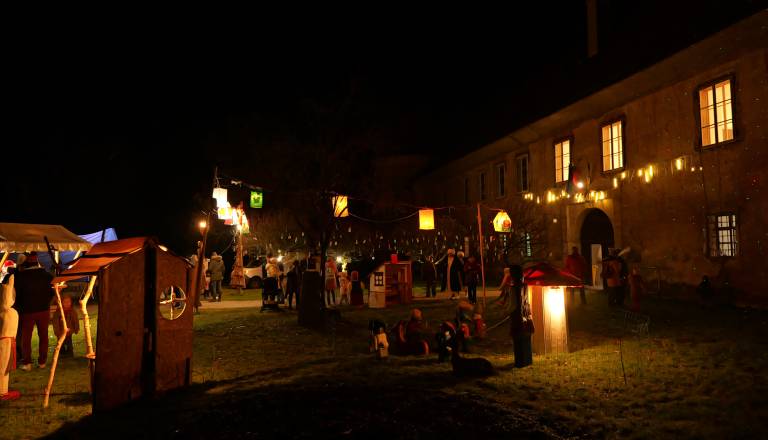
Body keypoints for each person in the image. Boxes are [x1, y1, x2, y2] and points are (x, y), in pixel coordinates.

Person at [14, 253, 54, 370]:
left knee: (26, 337)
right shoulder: (47, 276)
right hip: (43, 310)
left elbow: (17, 295)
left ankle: (27, 362)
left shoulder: (21, 277)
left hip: (28, 311)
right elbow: (52, 292)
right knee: (43, 336)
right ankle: (42, 362)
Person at [509, 265, 534, 368]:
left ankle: (520, 361)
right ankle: (527, 359)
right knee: (525, 337)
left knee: (518, 339)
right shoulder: (525, 286)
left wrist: (509, 312)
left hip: (517, 315)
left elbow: (513, 304)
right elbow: (526, 301)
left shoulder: (513, 288)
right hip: (525, 314)